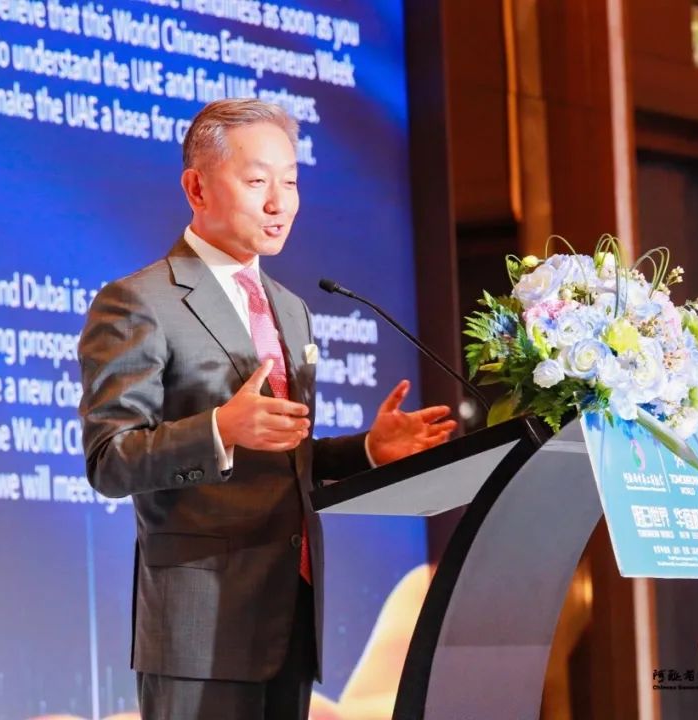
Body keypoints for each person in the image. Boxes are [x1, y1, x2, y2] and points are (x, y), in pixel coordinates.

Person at [78, 98, 456, 720]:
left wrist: (367, 451)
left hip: (290, 618)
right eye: (257, 182)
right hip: (200, 631)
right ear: (197, 188)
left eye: (291, 182)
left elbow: (282, 458)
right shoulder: (139, 302)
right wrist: (219, 430)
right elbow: (110, 460)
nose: (280, 203)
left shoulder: (290, 308)